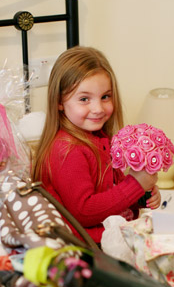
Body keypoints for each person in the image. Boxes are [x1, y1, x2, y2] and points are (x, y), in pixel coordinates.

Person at [32, 46, 160, 244]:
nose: (98, 108)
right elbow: (84, 211)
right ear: (59, 101)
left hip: (115, 233)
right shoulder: (67, 150)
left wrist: (141, 194)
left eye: (105, 97)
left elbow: (110, 192)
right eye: (84, 99)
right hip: (91, 245)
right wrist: (135, 185)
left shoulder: (98, 138)